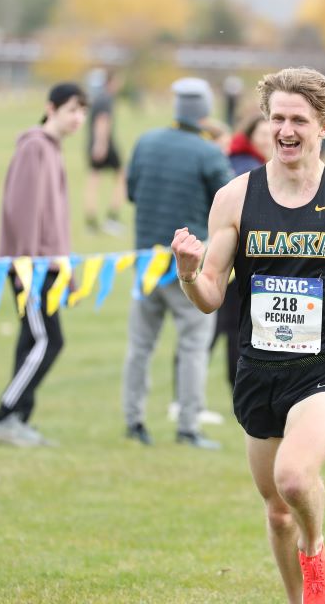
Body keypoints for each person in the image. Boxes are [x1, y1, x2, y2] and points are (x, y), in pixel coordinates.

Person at [172, 67, 325, 604]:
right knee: (277, 511)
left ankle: (317, 550)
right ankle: (301, 598)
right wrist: (189, 271)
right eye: (277, 118)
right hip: (258, 370)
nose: (285, 130)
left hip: (323, 370)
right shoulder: (234, 198)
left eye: (298, 119)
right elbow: (210, 294)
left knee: (295, 480)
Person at [121, 78, 233, 449]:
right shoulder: (207, 152)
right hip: (188, 266)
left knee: (140, 346)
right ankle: (187, 425)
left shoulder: (146, 141)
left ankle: (133, 421)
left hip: (146, 261)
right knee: (193, 347)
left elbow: (133, 192)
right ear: (204, 112)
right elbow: (229, 203)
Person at [0, 83, 88, 448]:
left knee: (31, 340)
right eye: (73, 109)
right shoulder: (33, 148)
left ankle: (17, 419)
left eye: (83, 111)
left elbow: (54, 223)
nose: (79, 118)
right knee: (49, 340)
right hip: (32, 268)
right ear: (51, 108)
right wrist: (27, 269)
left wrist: (67, 274)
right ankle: (1, 415)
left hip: (49, 267)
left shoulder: (52, 150)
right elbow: (22, 211)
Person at [211, 114, 275, 390]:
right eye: (260, 133)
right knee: (226, 327)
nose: (265, 139)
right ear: (250, 136)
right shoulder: (248, 169)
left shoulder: (256, 164)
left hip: (235, 259)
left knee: (224, 327)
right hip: (237, 261)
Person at [84, 69, 126, 236]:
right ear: (111, 82)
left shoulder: (97, 98)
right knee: (122, 177)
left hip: (94, 144)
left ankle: (91, 223)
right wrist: (101, 145)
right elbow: (102, 121)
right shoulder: (106, 99)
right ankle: (112, 218)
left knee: (93, 180)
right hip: (105, 145)